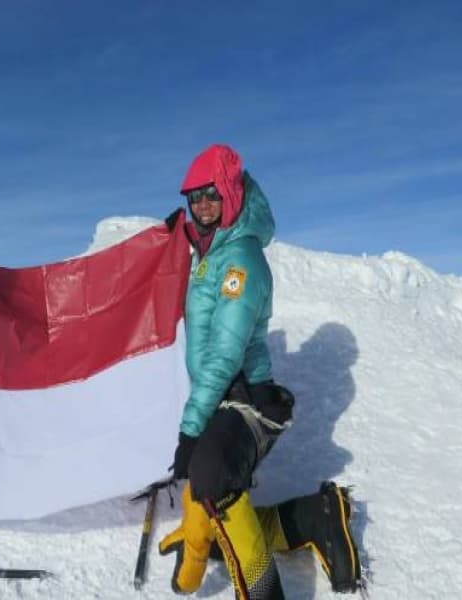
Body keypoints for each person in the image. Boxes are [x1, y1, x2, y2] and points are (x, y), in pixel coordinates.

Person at [158, 144, 361, 598]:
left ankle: (263, 589)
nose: (203, 206)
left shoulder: (242, 259)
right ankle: (312, 517)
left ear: (230, 193)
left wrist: (191, 428)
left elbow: (226, 352)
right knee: (210, 483)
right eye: (194, 198)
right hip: (222, 391)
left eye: (211, 194)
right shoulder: (210, 249)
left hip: (247, 394)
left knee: (210, 470)